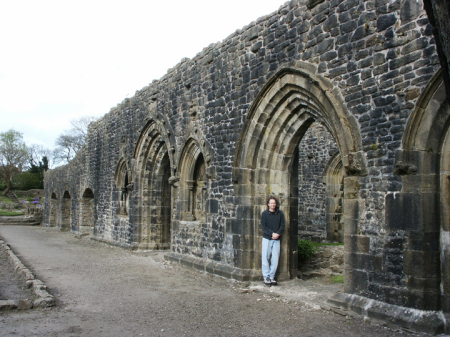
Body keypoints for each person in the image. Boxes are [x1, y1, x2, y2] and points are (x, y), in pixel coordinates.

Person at [261, 196, 285, 286]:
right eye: (271, 203)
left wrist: (278, 233)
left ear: (276, 204)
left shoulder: (280, 214)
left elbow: (282, 225)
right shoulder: (264, 214)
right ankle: (266, 276)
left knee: (275, 258)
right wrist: (272, 234)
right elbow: (263, 227)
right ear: (268, 204)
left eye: (274, 203)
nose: (273, 205)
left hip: (277, 239)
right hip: (267, 238)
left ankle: (272, 276)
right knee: (265, 258)